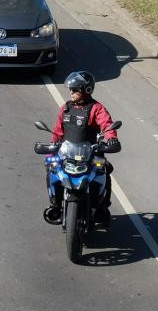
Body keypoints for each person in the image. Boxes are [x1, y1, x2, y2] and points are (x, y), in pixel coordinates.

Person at [44, 70, 120, 226]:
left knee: (105, 171)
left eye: (75, 89)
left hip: (90, 154)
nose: (71, 92)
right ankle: (55, 204)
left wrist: (111, 139)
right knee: (51, 169)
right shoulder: (65, 108)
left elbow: (106, 124)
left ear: (86, 90)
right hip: (67, 154)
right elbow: (58, 131)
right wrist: (51, 146)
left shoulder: (96, 108)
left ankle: (102, 207)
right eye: (70, 89)